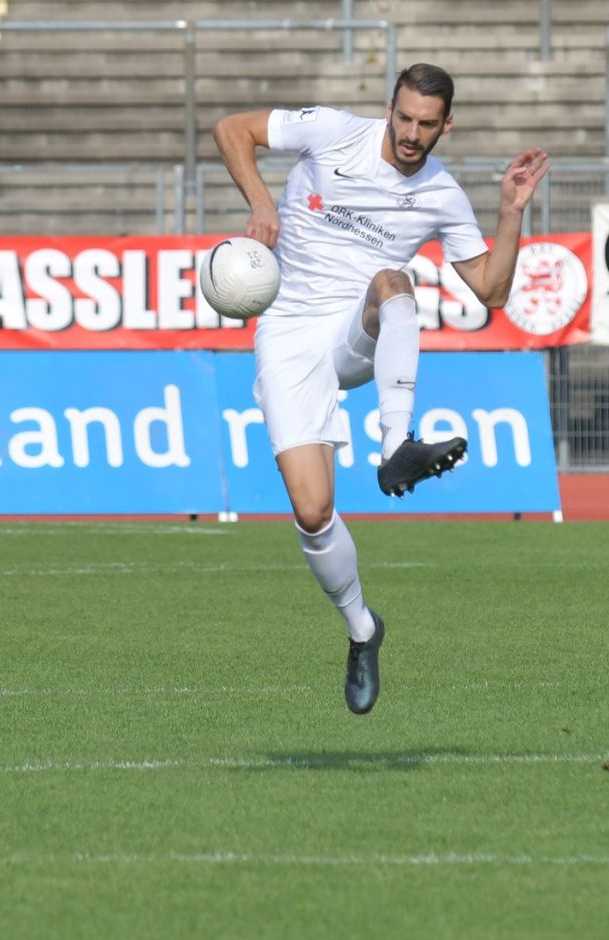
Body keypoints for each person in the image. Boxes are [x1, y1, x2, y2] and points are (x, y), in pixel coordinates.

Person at [213, 63, 549, 714]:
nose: (412, 134)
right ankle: (363, 630)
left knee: (395, 281)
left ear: (447, 125)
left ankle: (397, 445)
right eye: (405, 118)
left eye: (428, 124)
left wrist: (510, 212)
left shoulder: (441, 193)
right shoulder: (333, 131)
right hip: (288, 331)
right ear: (389, 109)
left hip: (358, 328)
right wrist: (261, 202)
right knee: (313, 512)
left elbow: (491, 290)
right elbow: (232, 129)